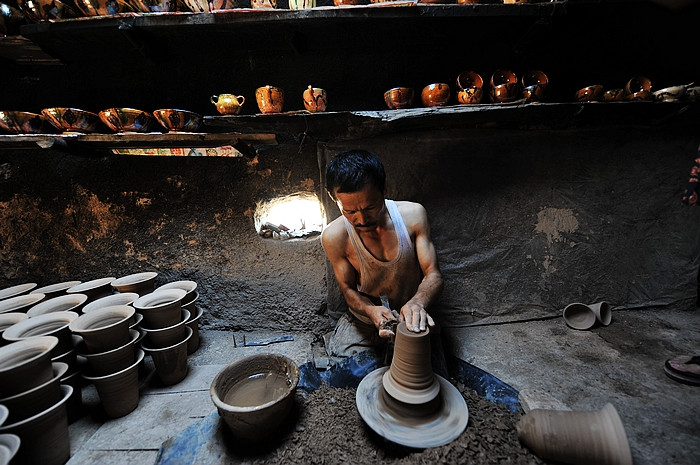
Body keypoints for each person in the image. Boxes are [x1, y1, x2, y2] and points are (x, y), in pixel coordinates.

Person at [320, 149, 445, 370]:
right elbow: (348, 291)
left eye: (370, 207)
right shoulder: (334, 237)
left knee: (429, 373)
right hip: (365, 321)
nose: (361, 219)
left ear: (384, 190)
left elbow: (433, 274)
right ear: (334, 200)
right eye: (349, 211)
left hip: (411, 317)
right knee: (347, 375)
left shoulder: (413, 216)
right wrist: (370, 311)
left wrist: (418, 303)